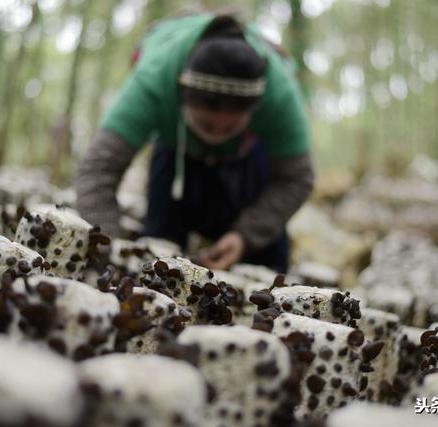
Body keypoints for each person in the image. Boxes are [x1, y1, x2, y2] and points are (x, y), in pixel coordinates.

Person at [76, 13, 314, 273]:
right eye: (207, 125)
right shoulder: (154, 78)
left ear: (253, 111)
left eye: (230, 126)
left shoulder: (279, 93)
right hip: (175, 150)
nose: (217, 134)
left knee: (266, 263)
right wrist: (108, 253)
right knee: (159, 246)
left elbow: (296, 178)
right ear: (182, 97)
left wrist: (246, 236)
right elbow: (99, 168)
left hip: (246, 156)